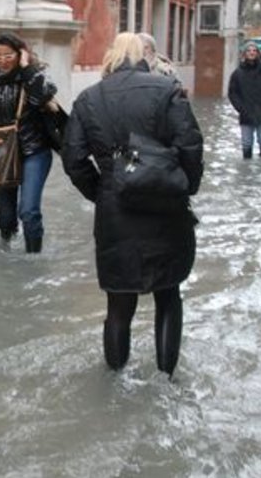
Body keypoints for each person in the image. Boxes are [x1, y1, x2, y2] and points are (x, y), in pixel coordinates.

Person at [61, 32, 203, 377]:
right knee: (169, 296)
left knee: (118, 302)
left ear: (112, 57)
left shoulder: (88, 98)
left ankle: (115, 380)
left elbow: (73, 158)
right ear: (144, 56)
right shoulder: (166, 90)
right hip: (166, 206)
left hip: (115, 211)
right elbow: (191, 147)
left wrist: (102, 191)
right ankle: (166, 377)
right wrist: (185, 187)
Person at [0, 32, 59, 253]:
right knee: (6, 216)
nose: (3, 60)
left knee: (28, 211)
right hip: (1, 151)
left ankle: (34, 257)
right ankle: (6, 250)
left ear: (20, 53)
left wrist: (27, 69)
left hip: (34, 150)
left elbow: (43, 95)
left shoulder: (35, 73)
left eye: (8, 55)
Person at [228, 40, 261, 159]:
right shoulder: (237, 73)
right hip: (246, 113)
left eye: (254, 50)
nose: (251, 53)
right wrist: (240, 108)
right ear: (244, 54)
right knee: (246, 144)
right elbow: (233, 93)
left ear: (258, 53)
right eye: (249, 50)